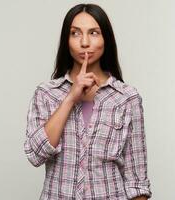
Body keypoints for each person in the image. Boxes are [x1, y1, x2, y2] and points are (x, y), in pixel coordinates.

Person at [24, 3, 152, 200]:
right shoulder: (46, 94)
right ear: (66, 41)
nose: (84, 42)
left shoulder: (127, 98)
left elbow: (137, 181)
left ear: (105, 39)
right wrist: (70, 98)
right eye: (75, 33)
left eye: (94, 33)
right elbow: (35, 154)